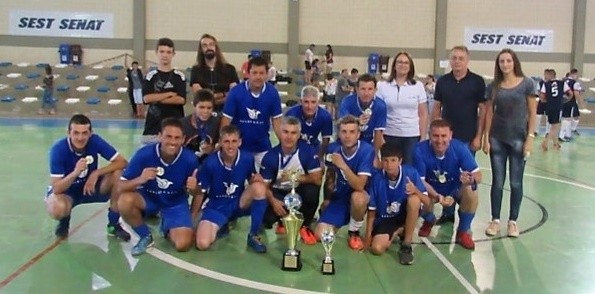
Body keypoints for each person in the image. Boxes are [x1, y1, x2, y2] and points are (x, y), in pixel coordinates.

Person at [118, 118, 200, 256]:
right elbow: (120, 186)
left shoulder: (190, 159)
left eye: (177, 138)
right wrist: (140, 179)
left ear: (183, 139)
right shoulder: (144, 154)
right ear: (160, 136)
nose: (173, 142)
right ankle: (145, 236)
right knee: (124, 201)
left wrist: (194, 188)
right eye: (168, 136)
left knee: (183, 245)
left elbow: (199, 192)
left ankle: (166, 226)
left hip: (175, 203)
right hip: (148, 199)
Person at [46, 114, 130, 240]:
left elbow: (122, 162)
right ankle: (64, 222)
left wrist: (95, 173)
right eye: (76, 133)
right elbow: (57, 188)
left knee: (118, 173)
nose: (80, 138)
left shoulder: (95, 141)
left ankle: (113, 224)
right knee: (57, 209)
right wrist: (75, 172)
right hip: (67, 192)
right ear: (68, 132)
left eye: (85, 133)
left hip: (89, 188)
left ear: (91, 133)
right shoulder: (58, 149)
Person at [483, 48, 537, 238]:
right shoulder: (493, 87)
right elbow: (489, 112)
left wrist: (530, 138)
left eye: (508, 61)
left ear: (514, 62)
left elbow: (532, 113)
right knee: (497, 182)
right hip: (497, 139)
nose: (505, 64)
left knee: (515, 182)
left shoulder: (528, 84)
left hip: (518, 140)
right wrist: (486, 137)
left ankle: (513, 221)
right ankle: (495, 220)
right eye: (501, 61)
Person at [431, 45, 486, 225]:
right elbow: (437, 107)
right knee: (448, 176)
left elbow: (483, 110)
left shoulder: (477, 82)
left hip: (468, 139)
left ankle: (465, 221)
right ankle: (448, 213)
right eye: (454, 58)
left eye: (461, 58)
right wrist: (434, 132)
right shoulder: (443, 82)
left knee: (467, 181)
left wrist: (479, 136)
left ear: (467, 60)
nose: (457, 61)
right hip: (445, 140)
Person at [194, 125, 269, 253]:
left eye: (234, 141)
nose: (230, 146)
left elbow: (251, 180)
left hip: (238, 202)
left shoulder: (247, 158)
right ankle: (222, 225)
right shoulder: (210, 163)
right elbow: (200, 192)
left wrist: (257, 179)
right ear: (221, 143)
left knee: (259, 188)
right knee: (202, 243)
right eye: (226, 142)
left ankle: (253, 235)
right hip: (217, 206)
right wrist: (193, 215)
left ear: (239, 142)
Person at [413, 119, 481, 250]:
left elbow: (478, 175)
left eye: (443, 136)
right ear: (429, 135)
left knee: (472, 192)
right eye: (435, 136)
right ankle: (429, 219)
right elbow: (420, 181)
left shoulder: (460, 148)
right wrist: (438, 197)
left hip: (454, 190)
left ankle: (463, 231)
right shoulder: (419, 150)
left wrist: (469, 179)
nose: (439, 140)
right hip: (432, 191)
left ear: (450, 135)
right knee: (416, 195)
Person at [363, 143, 430, 265]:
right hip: (385, 219)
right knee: (377, 249)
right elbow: (371, 211)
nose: (389, 165)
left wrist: (416, 191)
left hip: (404, 214)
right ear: (381, 161)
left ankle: (406, 245)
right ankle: (398, 230)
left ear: (400, 161)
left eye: (393, 160)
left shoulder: (411, 173)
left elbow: (427, 202)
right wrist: (368, 235)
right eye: (386, 161)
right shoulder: (376, 179)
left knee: (414, 200)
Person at [316, 115, 374, 251]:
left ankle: (353, 232)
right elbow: (330, 176)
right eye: (344, 132)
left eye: (352, 132)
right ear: (339, 134)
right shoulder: (332, 149)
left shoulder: (366, 150)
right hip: (340, 198)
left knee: (358, 198)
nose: (348, 136)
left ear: (358, 134)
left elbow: (360, 185)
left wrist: (343, 165)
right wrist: (327, 199)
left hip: (361, 197)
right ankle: (334, 219)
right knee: (321, 235)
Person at [260, 117, 322, 245]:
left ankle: (304, 226)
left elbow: (317, 179)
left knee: (312, 191)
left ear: (299, 135)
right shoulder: (270, 156)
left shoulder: (308, 151)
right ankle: (283, 221)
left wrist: (294, 177)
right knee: (266, 219)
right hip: (278, 193)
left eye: (293, 133)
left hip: (299, 191)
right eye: (286, 132)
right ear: (279, 133)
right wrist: (273, 202)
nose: (289, 137)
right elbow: (263, 186)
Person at [221, 56, 283, 170]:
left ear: (267, 74)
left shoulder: (273, 93)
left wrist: (284, 145)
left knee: (267, 180)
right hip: (240, 147)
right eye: (254, 73)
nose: (258, 77)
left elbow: (277, 122)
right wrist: (224, 145)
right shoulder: (236, 92)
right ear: (248, 73)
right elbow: (226, 121)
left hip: (262, 147)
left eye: (261, 73)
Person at [376, 51, 428, 166]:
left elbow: (423, 114)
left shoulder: (418, 86)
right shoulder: (382, 86)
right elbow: (378, 113)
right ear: (394, 65)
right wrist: (380, 136)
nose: (402, 65)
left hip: (411, 136)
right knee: (389, 168)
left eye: (406, 63)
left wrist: (423, 137)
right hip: (389, 134)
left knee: (408, 168)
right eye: (399, 62)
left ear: (410, 67)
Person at [142, 38, 187, 144]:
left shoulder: (179, 76)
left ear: (173, 54)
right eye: (162, 51)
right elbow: (146, 98)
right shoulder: (150, 76)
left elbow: (181, 100)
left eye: (168, 52)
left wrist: (156, 98)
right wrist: (169, 94)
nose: (165, 55)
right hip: (152, 129)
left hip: (175, 129)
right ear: (156, 53)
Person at [190, 33, 240, 114]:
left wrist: (215, 97)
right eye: (204, 45)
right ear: (201, 50)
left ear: (216, 47)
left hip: (226, 112)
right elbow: (200, 95)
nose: (208, 47)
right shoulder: (196, 70)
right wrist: (223, 95)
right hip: (205, 113)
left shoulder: (230, 69)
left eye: (211, 44)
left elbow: (233, 94)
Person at [339, 73, 387, 152]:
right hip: (347, 140)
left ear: (375, 90)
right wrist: (357, 120)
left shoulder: (380, 106)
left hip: (368, 142)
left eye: (370, 89)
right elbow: (343, 124)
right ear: (357, 89)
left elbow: (378, 133)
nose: (366, 93)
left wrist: (375, 155)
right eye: (363, 89)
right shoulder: (347, 102)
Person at [284, 85, 333, 160]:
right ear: (301, 101)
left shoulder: (325, 116)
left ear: (318, 102)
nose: (309, 106)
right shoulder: (291, 114)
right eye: (306, 102)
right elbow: (286, 138)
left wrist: (320, 158)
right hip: (294, 148)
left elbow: (325, 140)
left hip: (314, 147)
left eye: (313, 102)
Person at [180, 89, 220, 164]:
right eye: (201, 107)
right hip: (186, 163)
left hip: (208, 163)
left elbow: (220, 144)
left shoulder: (217, 122)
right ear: (194, 106)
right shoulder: (182, 124)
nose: (205, 111)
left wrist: (212, 148)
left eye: (209, 108)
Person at [540, 69, 571, 151]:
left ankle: (555, 143)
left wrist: (548, 100)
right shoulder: (562, 83)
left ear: (551, 75)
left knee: (553, 125)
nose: (545, 77)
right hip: (558, 106)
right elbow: (570, 93)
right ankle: (545, 142)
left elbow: (542, 97)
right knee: (555, 126)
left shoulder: (545, 84)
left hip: (549, 107)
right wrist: (566, 100)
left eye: (546, 75)